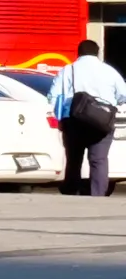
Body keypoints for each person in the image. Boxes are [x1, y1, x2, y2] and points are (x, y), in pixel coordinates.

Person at [51, 42, 124, 197]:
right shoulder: (110, 71)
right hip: (102, 121)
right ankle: (98, 194)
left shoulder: (67, 70)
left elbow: (54, 96)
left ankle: (72, 191)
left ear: (78, 53)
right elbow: (123, 95)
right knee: (99, 159)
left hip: (74, 120)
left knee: (74, 159)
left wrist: (60, 117)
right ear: (98, 53)